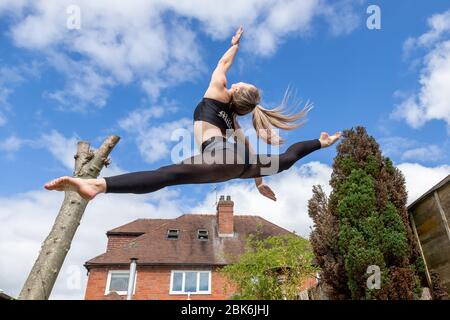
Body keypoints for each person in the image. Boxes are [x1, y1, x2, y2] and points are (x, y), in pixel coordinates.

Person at [45, 26, 341, 202]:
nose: (237, 81)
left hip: (221, 157)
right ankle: (321, 143)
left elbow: (222, 65)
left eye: (241, 84)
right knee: (286, 160)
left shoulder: (217, 93)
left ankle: (97, 185)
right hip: (237, 164)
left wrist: (234, 45)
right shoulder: (234, 122)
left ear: (235, 92)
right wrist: (260, 181)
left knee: (168, 175)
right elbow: (250, 153)